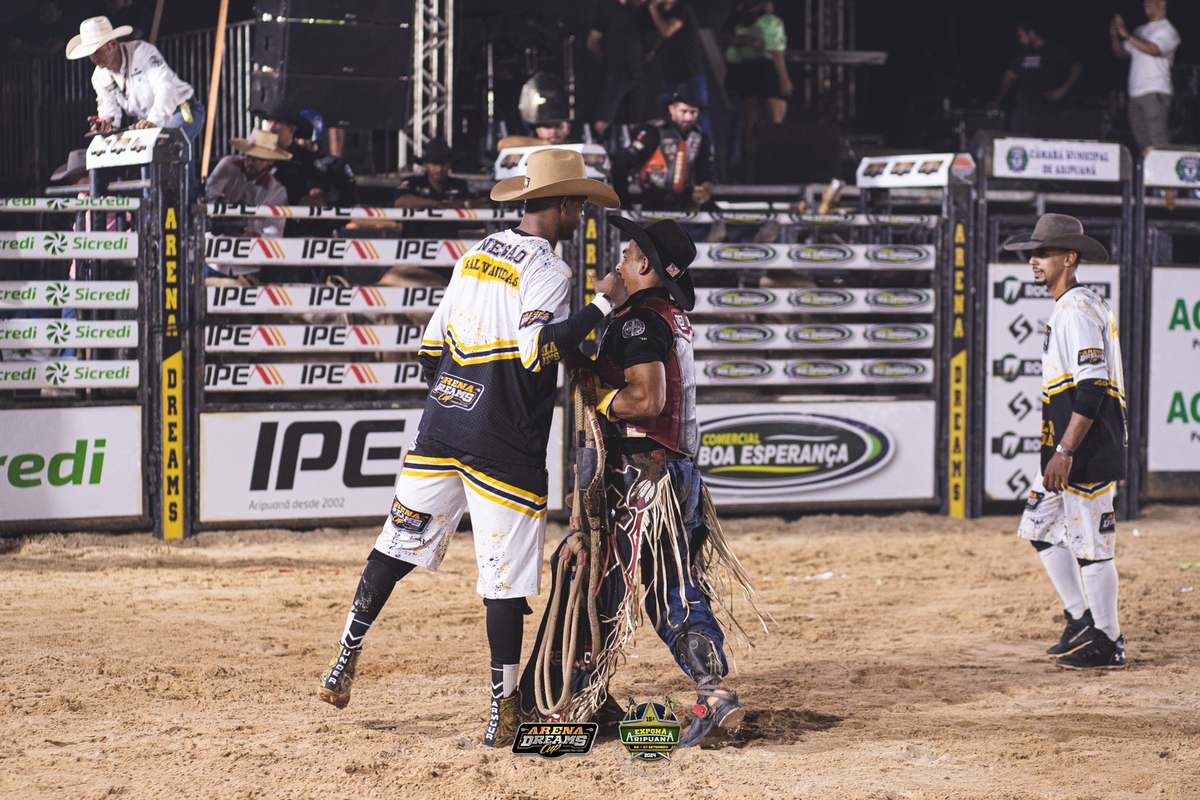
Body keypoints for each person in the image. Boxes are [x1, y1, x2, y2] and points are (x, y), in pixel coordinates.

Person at [317, 149, 625, 748]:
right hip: (503, 444)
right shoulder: (551, 271)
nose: (582, 214)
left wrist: (462, 394)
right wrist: (604, 303)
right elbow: (539, 350)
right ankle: (501, 712)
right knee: (504, 579)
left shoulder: (476, 254)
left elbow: (430, 352)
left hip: (440, 429)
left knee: (395, 545)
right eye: (580, 204)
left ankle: (344, 657)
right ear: (563, 203)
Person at [525, 217, 755, 746]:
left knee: (598, 582)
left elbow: (646, 399)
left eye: (628, 254)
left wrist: (600, 397)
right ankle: (713, 691)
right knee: (673, 587)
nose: (620, 261)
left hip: (641, 480)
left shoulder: (637, 323)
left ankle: (574, 703)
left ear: (645, 264)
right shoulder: (667, 317)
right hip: (673, 475)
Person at [1003, 214, 1128, 670]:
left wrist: (1065, 451)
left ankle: (1109, 641)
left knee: (1092, 545)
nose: (1033, 260)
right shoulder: (1073, 306)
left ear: (1069, 258)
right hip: (1072, 450)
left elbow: (1092, 387)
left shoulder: (1075, 310)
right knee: (1038, 525)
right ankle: (1081, 618)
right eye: (1032, 253)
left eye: (1043, 253)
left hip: (1084, 451)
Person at [67, 16, 205, 191]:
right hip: (151, 121)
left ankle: (189, 199)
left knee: (168, 144)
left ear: (113, 44)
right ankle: (151, 203)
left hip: (183, 110)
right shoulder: (99, 76)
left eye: (96, 50)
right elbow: (109, 110)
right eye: (89, 53)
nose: (93, 57)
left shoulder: (143, 52)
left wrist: (153, 121)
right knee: (148, 150)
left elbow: (165, 88)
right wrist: (105, 122)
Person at [611, 83, 714, 212]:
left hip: (686, 204)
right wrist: (623, 202)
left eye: (693, 112)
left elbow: (706, 171)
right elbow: (621, 163)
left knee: (717, 216)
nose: (688, 118)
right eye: (683, 111)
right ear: (671, 109)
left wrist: (704, 190)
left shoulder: (701, 138)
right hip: (651, 202)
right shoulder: (654, 133)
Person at [203, 129, 290, 277]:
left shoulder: (277, 191)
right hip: (214, 256)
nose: (251, 162)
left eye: (258, 158)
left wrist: (250, 234)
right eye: (249, 156)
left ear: (270, 161)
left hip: (247, 265)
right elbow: (207, 194)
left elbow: (275, 233)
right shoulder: (229, 164)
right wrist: (219, 202)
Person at [721, 1, 792, 178]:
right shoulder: (769, 21)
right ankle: (771, 170)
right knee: (772, 125)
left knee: (749, 126)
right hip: (765, 72)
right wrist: (784, 78)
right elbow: (776, 51)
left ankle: (748, 171)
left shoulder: (739, 20)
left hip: (746, 71)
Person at [990, 18, 1083, 137]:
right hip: (1025, 107)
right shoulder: (1022, 53)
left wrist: (1064, 89)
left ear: (1031, 33)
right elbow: (1009, 76)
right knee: (1018, 137)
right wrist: (999, 100)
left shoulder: (1053, 49)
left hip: (1049, 108)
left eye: (1021, 35)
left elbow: (1076, 67)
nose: (1020, 39)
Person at [1111, 0, 1180, 153]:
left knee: (1158, 141)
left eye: (1150, 1)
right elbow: (1121, 52)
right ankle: (1148, 169)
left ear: (1162, 3)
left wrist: (1127, 35)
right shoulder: (1140, 30)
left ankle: (1164, 168)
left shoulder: (1168, 30)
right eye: (1145, 2)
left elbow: (1154, 50)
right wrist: (1115, 36)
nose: (1145, 4)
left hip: (1155, 91)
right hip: (1135, 93)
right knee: (1143, 144)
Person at [588, 0, 654, 138]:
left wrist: (651, 52)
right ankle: (600, 144)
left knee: (637, 120)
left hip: (639, 71)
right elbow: (592, 42)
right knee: (604, 118)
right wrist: (608, 60)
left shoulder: (641, 10)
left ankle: (635, 146)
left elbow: (657, 33)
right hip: (617, 72)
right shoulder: (607, 9)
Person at [648, 0, 710, 135]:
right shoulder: (662, 11)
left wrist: (652, 7)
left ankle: (705, 148)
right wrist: (652, 52)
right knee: (673, 119)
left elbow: (667, 31)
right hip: (671, 74)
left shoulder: (681, 7)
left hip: (691, 72)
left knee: (697, 116)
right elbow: (660, 36)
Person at [497, 72, 576, 151]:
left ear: (568, 127)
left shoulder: (577, 148)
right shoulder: (532, 145)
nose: (553, 132)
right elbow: (503, 145)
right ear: (538, 130)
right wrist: (548, 144)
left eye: (558, 126)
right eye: (547, 127)